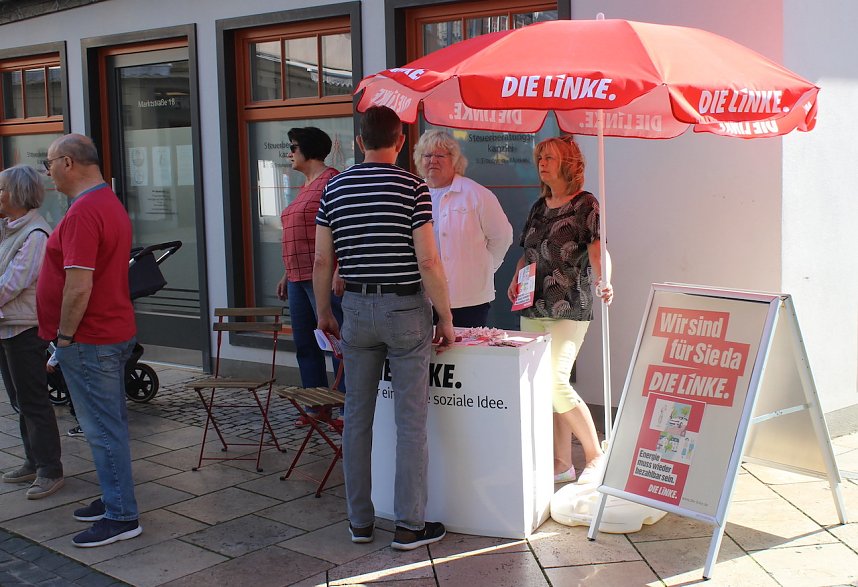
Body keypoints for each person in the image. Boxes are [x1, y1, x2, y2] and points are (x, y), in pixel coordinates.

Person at [313, 105, 455, 551]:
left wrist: (323, 310)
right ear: (400, 142)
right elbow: (428, 260)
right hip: (406, 308)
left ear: (359, 142)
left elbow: (321, 260)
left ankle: (359, 521)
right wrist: (446, 316)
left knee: (356, 418)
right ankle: (410, 526)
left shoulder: (334, 187)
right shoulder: (413, 187)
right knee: (410, 421)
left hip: (354, 306)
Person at [36, 133, 142, 547]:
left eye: (48, 164)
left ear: (67, 163)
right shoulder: (106, 202)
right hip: (107, 332)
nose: (47, 173)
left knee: (102, 428)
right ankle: (115, 497)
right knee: (107, 424)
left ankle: (121, 516)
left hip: (90, 337)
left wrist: (62, 339)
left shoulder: (84, 211)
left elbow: (78, 286)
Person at [507, 136, 613, 486]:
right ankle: (562, 462)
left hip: (570, 304)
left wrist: (605, 280)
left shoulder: (586, 204)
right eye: (540, 157)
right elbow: (529, 251)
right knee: (544, 384)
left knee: (555, 380)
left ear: (568, 163)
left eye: (549, 157)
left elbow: (598, 250)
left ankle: (595, 456)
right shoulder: (539, 206)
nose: (542, 162)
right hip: (533, 303)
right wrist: (516, 277)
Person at [0, 164, 64, 499]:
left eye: (1, 189)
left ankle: (49, 470)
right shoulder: (9, 229)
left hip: (23, 329)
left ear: (16, 194)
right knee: (18, 400)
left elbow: (11, 284)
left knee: (33, 400)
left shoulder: (36, 235)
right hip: (6, 326)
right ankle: (32, 460)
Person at [275, 127, 345, 424]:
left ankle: (345, 404)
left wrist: (340, 269)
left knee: (336, 344)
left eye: (293, 147)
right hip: (296, 277)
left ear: (308, 149)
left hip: (322, 277)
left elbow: (342, 230)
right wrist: (284, 273)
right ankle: (316, 403)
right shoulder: (305, 186)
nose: (289, 153)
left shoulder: (331, 181)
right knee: (306, 343)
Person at [413, 130, 513, 327]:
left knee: (466, 355)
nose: (433, 160)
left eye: (440, 155)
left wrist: (485, 267)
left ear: (455, 160)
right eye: (427, 155)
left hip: (469, 300)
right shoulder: (414, 195)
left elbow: (502, 237)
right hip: (422, 300)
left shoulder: (477, 194)